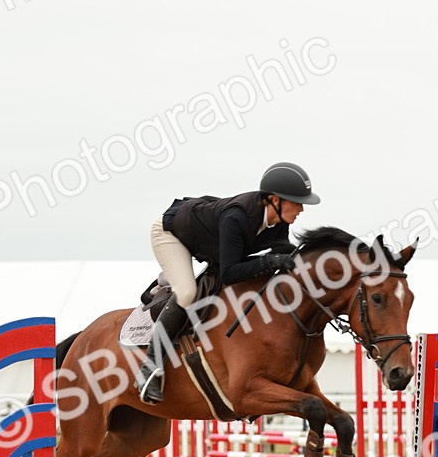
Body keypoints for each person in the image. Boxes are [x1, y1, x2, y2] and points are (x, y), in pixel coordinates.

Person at [138, 161, 321, 404]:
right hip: (171, 235)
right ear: (275, 200)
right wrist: (270, 260)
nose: (301, 209)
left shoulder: (279, 222)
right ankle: (149, 369)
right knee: (187, 292)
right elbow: (230, 273)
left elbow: (281, 252)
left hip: (208, 240)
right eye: (297, 202)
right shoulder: (236, 217)